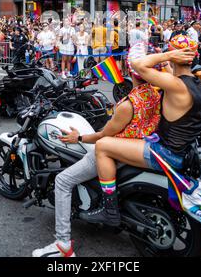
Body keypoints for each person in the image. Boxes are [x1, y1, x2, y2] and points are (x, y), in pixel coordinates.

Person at [32, 46, 161, 258]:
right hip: (139, 147)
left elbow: (103, 136)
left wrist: (78, 137)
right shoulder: (154, 93)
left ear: (130, 71)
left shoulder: (129, 104)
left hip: (115, 152)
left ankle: (62, 244)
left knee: (63, 181)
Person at [80, 35, 201, 226]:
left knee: (102, 146)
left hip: (167, 153)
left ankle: (110, 211)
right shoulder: (195, 83)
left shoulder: (176, 85)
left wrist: (168, 54)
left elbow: (140, 66)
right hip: (184, 148)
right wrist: (169, 58)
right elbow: (166, 72)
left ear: (175, 56)